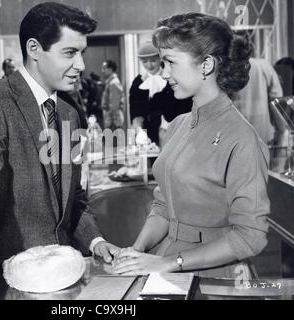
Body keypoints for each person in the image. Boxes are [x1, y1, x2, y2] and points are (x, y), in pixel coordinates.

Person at [0, 2, 118, 300]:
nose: (80, 65)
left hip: (66, 275)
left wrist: (96, 241)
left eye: (82, 53)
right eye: (69, 53)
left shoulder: (68, 113)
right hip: (10, 280)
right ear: (35, 49)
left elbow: (73, 198)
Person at [113, 13, 270, 279]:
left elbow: (249, 237)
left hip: (214, 277)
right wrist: (137, 250)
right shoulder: (178, 125)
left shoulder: (242, 138)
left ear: (206, 65)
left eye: (171, 62)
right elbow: (163, 206)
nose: (163, 73)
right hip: (166, 261)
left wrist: (169, 263)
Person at [129, 41, 192, 145]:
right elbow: (136, 111)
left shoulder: (172, 78)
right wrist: (139, 130)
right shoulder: (138, 83)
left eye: (153, 60)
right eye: (145, 62)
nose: (149, 65)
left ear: (160, 59)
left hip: (175, 130)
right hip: (148, 133)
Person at [232, 31, 284, 146]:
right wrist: (281, 131)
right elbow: (277, 100)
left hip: (234, 133)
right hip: (263, 132)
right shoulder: (264, 66)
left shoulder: (226, 68)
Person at [101, 60, 125, 130]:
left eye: (104, 68)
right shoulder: (110, 82)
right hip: (111, 120)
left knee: (113, 140)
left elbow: (114, 105)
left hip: (113, 121)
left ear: (110, 69)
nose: (102, 71)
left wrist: (111, 122)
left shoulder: (113, 83)